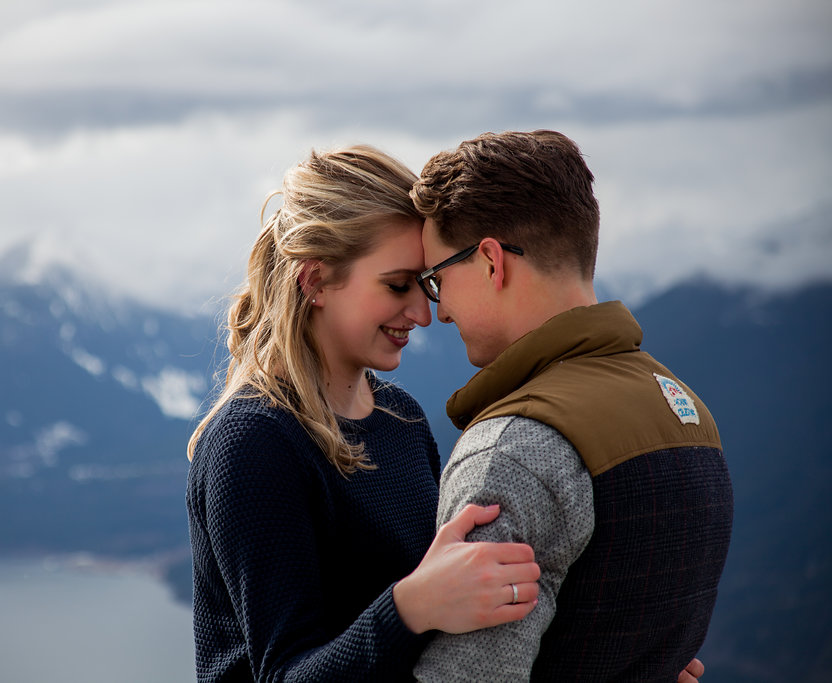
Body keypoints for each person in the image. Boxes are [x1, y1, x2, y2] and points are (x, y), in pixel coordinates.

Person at [185, 144, 542, 682]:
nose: (424, 313)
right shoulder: (254, 442)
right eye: (398, 285)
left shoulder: (402, 418)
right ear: (315, 281)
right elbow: (285, 673)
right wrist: (411, 606)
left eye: (426, 284)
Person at [410, 130, 734, 682]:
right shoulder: (687, 412)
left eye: (438, 279)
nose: (437, 311)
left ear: (491, 262)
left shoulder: (510, 450)